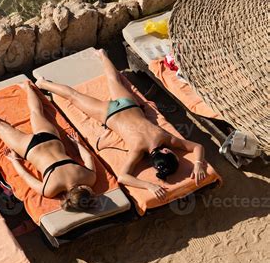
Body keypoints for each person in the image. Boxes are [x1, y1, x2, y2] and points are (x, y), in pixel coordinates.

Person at [35, 49, 207, 202]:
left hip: (128, 105)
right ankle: (42, 84)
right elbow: (123, 177)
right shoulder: (137, 150)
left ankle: (102, 54)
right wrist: (148, 185)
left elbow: (197, 147)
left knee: (114, 79)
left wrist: (198, 163)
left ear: (166, 151)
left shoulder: (164, 137)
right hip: (109, 114)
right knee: (73, 96)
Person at [0, 81, 97, 211]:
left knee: (36, 112)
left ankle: (27, 87)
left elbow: (88, 157)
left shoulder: (90, 178)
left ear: (82, 190)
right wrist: (15, 161)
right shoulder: (50, 189)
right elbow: (25, 176)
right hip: (30, 149)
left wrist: (77, 143)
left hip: (52, 140)